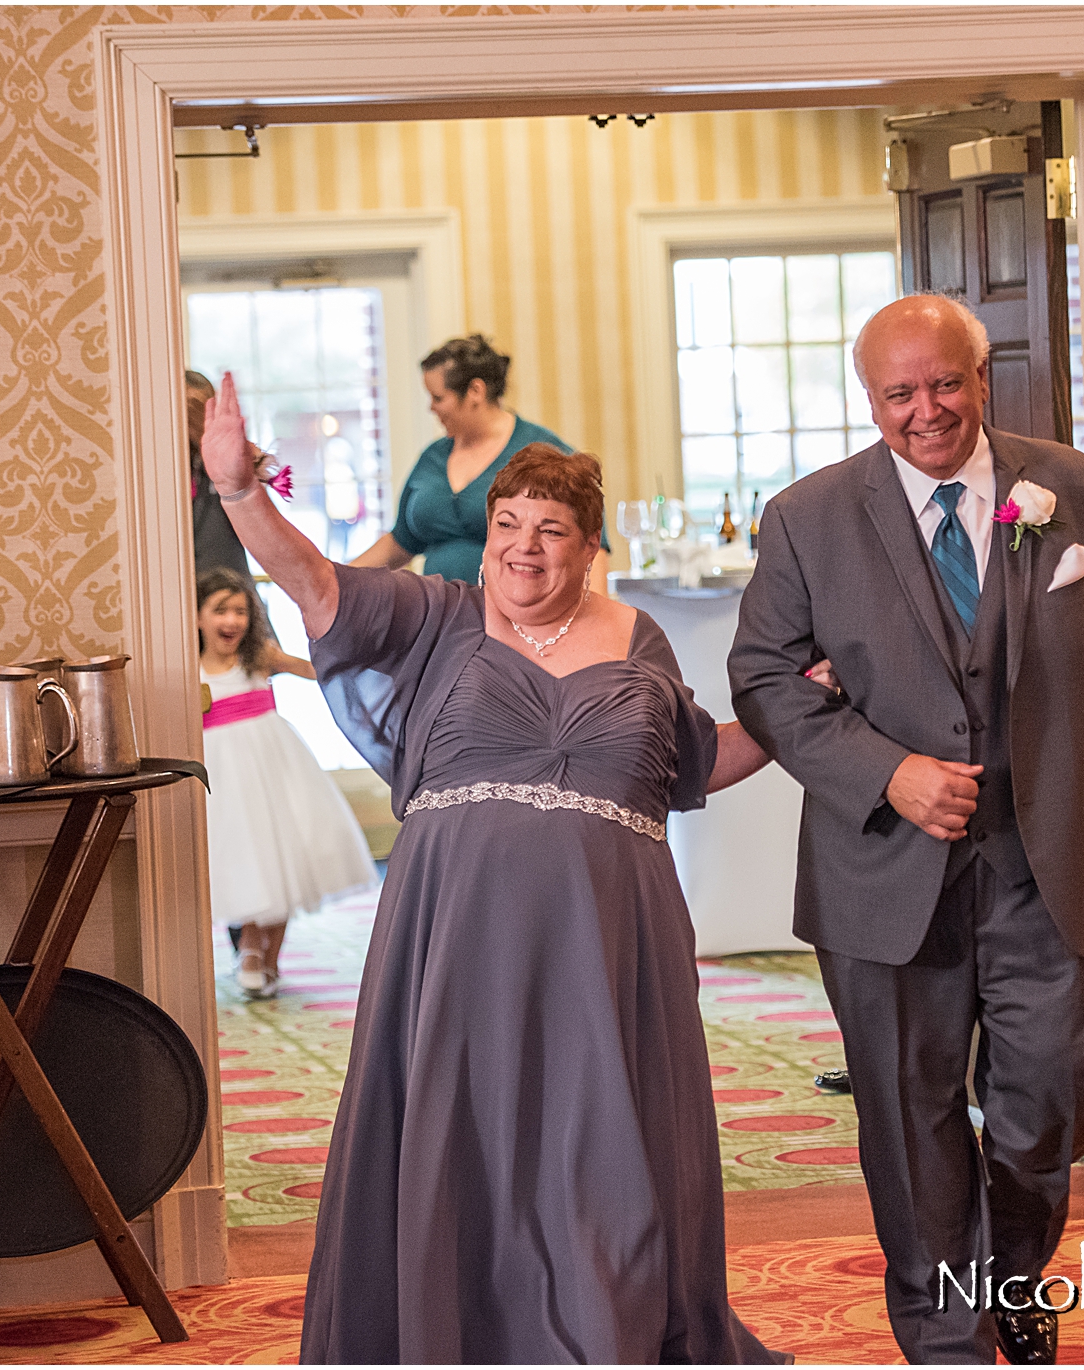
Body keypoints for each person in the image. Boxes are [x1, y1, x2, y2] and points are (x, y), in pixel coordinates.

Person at [201, 371, 786, 1364]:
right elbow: (313, 582)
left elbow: (693, 760)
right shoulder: (435, 615)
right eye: (507, 523)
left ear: (588, 545)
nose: (522, 545)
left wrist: (800, 714)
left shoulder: (637, 640)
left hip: (608, 938)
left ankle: (608, 1331)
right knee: (461, 1136)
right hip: (457, 930)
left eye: (549, 528)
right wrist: (237, 489)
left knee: (605, 1147)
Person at [728, 294, 1084, 1364]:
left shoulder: (1072, 491)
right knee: (907, 1115)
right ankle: (944, 1334)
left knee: (1047, 1092)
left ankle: (1009, 1275)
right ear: (870, 399)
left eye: (943, 383)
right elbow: (760, 678)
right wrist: (885, 772)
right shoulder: (806, 516)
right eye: (899, 393)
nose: (924, 410)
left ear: (980, 379)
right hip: (881, 878)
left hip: (1049, 859)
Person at [196, 566, 375, 998]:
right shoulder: (190, 670)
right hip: (224, 775)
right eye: (220, 610)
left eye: (241, 611)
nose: (232, 621)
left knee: (284, 858)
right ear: (197, 616)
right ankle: (251, 947)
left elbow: (318, 670)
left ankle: (268, 955)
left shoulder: (260, 657)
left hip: (275, 765)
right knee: (248, 857)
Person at [349, 334, 608, 580]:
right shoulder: (432, 457)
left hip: (516, 621)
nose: (431, 408)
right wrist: (336, 576)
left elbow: (590, 549)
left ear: (475, 391)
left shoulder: (546, 456)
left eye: (438, 397)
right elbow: (401, 542)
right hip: (439, 619)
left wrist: (592, 620)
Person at [186, 371, 253, 581]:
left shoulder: (228, 458)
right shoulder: (156, 464)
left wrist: (207, 439)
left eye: (197, 408)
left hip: (229, 583)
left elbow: (255, 512)